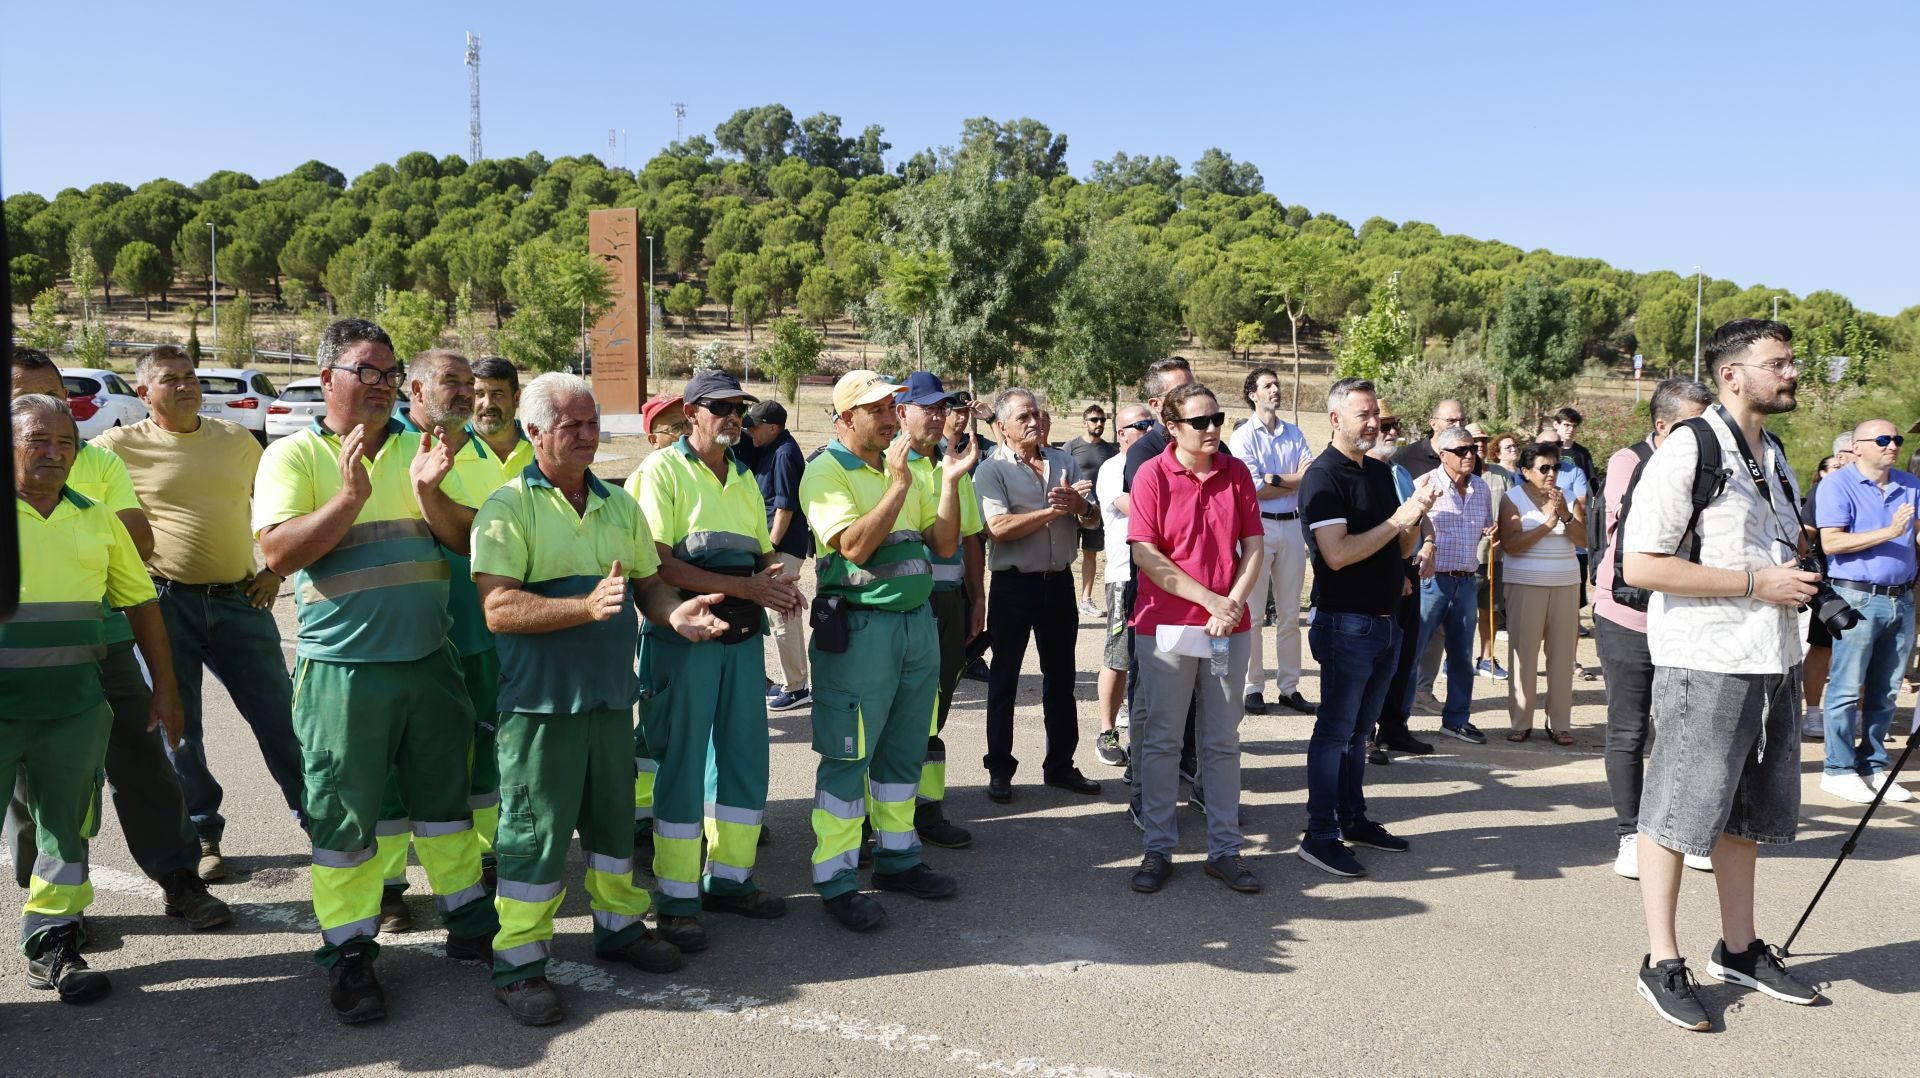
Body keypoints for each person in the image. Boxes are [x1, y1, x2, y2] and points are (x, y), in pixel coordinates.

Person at [252, 318, 498, 1024]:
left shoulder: (426, 448)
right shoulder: (293, 456)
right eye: (368, 371)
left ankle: (467, 921)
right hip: (344, 675)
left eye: (390, 373)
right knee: (345, 822)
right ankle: (351, 952)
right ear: (328, 377)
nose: (383, 384)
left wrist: (429, 493)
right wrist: (348, 498)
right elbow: (278, 555)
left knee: (446, 805)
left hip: (430, 663)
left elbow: (465, 539)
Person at [472, 373, 729, 1025]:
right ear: (534, 433)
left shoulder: (619, 504)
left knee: (615, 829)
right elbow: (498, 607)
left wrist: (675, 617)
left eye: (592, 423)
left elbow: (648, 586)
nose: (587, 436)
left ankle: (619, 929)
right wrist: (582, 607)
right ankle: (520, 964)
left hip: (612, 702)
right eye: (571, 426)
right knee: (534, 839)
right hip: (539, 709)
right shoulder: (507, 508)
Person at [1621, 318, 1822, 1031]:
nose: (1793, 372)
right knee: (1676, 813)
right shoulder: (1690, 448)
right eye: (1780, 362)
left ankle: (1738, 949)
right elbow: (1639, 565)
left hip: (1772, 659)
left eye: (1792, 361)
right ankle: (1660, 960)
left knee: (1746, 818)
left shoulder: (1777, 455)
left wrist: (1793, 578)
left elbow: (1768, 550)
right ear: (1733, 374)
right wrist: (1752, 583)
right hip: (1704, 660)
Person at [5, 351, 224, 932]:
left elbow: (134, 539)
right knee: (34, 788)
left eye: (55, 395)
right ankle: (50, 909)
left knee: (143, 759)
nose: (49, 417)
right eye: (25, 400)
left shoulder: (93, 460)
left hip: (103, 640)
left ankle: (178, 877)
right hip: (20, 663)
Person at [94, 346, 306, 877]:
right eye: (171, 379)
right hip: (165, 603)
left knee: (282, 716)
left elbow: (279, 505)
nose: (188, 386)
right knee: (178, 729)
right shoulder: (114, 447)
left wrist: (276, 569)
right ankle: (203, 833)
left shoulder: (237, 440)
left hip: (240, 599)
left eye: (192, 377)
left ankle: (321, 821)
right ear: (143, 393)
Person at [633, 371, 805, 954]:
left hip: (739, 643)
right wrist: (755, 590)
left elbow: (758, 556)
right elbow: (658, 566)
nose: (733, 416)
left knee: (743, 761)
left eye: (739, 408)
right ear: (691, 411)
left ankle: (730, 880)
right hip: (685, 644)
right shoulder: (661, 471)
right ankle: (677, 900)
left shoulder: (742, 479)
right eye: (721, 407)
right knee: (681, 769)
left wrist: (779, 585)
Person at [798, 370, 972, 931]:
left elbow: (944, 544)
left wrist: (945, 481)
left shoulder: (911, 466)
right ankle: (837, 878)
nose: (890, 416)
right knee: (850, 756)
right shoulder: (825, 471)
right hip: (861, 630)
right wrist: (898, 485)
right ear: (845, 418)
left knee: (904, 753)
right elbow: (853, 546)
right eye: (875, 409)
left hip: (914, 626)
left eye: (893, 406)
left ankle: (899, 859)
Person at [374, 349, 514, 932]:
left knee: (482, 760)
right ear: (417, 388)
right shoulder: (390, 444)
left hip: (477, 632)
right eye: (451, 383)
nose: (464, 394)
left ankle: (480, 862)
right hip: (402, 640)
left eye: (469, 384)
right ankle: (385, 888)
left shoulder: (478, 452)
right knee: (391, 767)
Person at [1125, 383, 1265, 895]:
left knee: (1222, 742)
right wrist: (1212, 602)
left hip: (1229, 628)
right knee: (1162, 740)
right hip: (1167, 627)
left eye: (1217, 419)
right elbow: (1147, 554)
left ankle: (1225, 851)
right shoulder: (1151, 475)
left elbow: (1254, 548)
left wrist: (1233, 606)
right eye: (1200, 421)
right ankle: (1158, 848)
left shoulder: (1237, 472)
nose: (1212, 430)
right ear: (1172, 427)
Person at [1297, 378, 1436, 877]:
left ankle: (1352, 819)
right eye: (1364, 414)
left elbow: (1397, 549)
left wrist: (1414, 520)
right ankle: (1318, 834)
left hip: (1386, 622)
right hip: (1345, 624)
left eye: (1377, 412)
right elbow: (1336, 554)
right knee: (1335, 733)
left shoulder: (1379, 473)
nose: (1375, 421)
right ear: (1336, 419)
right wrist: (1399, 520)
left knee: (1360, 734)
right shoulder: (1322, 476)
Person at [1592, 378, 1713, 879]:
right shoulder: (1629, 463)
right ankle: (1630, 834)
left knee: (1687, 729)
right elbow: (1640, 528)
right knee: (1630, 727)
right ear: (1663, 427)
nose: (1707, 436)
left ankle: (1681, 832)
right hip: (1628, 615)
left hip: (1688, 616)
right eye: (1695, 426)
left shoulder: (1708, 465)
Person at [976, 387, 1101, 802]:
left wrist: (1080, 508)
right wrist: (1056, 510)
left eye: (1036, 414)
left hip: (1058, 584)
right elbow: (997, 529)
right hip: (1014, 586)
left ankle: (1060, 765)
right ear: (1001, 427)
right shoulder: (990, 470)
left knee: (1061, 678)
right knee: (1005, 679)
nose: (1033, 422)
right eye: (1023, 417)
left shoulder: (1065, 461)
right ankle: (1000, 768)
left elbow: (1093, 518)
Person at [897, 373, 986, 849]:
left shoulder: (951, 465)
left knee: (935, 709)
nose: (936, 416)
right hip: (904, 604)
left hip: (949, 603)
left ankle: (926, 809)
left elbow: (971, 536)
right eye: (927, 407)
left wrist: (978, 598)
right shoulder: (889, 465)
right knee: (897, 712)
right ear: (903, 412)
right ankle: (882, 816)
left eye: (942, 408)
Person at [1813, 419, 1920, 804]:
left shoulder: (1910, 484)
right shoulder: (1836, 485)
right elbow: (1832, 543)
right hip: (1857, 597)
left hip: (1902, 598)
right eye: (1881, 439)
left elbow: (1916, 532)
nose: (1891, 445)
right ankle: (1837, 769)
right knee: (1845, 688)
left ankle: (1873, 766)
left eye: (1896, 439)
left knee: (1887, 690)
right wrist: (1889, 532)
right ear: (1856, 447)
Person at [1228, 367, 1315, 715]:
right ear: (1253, 394)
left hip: (1292, 526)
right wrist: (1288, 480)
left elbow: (1309, 477)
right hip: (1257, 528)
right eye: (1268, 385)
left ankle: (1289, 687)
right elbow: (1252, 487)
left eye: (1276, 384)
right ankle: (1252, 686)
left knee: (1291, 613)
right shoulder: (1243, 437)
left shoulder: (1294, 432)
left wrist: (1274, 478)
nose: (1275, 389)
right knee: (1252, 613)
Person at [1495, 442, 1583, 744]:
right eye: (1544, 468)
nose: (1551, 473)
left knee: (1561, 657)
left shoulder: (1569, 497)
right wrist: (1549, 524)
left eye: (1555, 467)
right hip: (1525, 583)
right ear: (1526, 471)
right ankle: (1520, 722)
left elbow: (1585, 539)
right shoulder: (1512, 498)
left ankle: (1559, 723)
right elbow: (1512, 544)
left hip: (1566, 583)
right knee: (1524, 654)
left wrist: (1565, 515)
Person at [1410, 426, 1493, 743]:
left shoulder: (1481, 489)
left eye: (1472, 449)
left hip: (1466, 581)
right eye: (1461, 451)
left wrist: (1492, 531)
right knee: (1412, 654)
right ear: (1443, 455)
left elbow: (1487, 524)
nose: (1470, 455)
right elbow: (1408, 529)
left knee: (1462, 657)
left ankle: (1456, 720)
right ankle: (1395, 722)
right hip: (1430, 582)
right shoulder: (1424, 484)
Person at [1393, 401, 1465, 715]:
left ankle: (1424, 690)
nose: (1457, 423)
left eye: (1462, 419)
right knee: (1414, 635)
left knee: (1439, 636)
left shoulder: (1466, 455)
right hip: (1408, 559)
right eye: (1451, 419)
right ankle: (1400, 701)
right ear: (1433, 422)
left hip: (1450, 562)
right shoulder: (1405, 458)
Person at [742, 399, 813, 711]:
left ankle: (796, 688)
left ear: (772, 427)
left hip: (781, 547)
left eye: (754, 427)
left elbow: (784, 508)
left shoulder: (783, 453)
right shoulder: (772, 447)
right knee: (786, 613)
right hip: (778, 546)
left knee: (781, 613)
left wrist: (768, 550)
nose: (749, 433)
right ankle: (797, 683)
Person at [1095, 404, 1153, 767]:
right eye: (1141, 425)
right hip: (1123, 575)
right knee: (1118, 657)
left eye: (1152, 425)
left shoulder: (1159, 465)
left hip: (1156, 575)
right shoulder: (1113, 468)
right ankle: (1107, 732)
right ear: (1121, 433)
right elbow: (1133, 505)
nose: (1150, 431)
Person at [1799, 453, 1841, 739]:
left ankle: (1858, 713)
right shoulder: (1825, 490)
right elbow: (1806, 536)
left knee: (1866, 657)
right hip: (1832, 585)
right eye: (1839, 462)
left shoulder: (1886, 486)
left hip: (1880, 587)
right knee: (1822, 647)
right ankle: (1812, 714)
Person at [1063, 405, 1118, 616]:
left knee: (1091, 554)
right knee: (1067, 555)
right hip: (1072, 510)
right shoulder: (1071, 447)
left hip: (1097, 512)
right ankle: (1064, 598)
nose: (1099, 424)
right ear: (1084, 421)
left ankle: (1085, 600)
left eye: (1103, 420)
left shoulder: (1109, 450)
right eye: (1095, 419)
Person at [1475, 431, 1522, 679]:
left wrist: (1502, 527)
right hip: (1462, 558)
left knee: (1490, 609)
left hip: (1495, 555)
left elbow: (1516, 511)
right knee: (1457, 615)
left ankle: (1486, 658)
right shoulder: (1455, 474)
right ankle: (1452, 661)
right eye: (1474, 441)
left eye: (1483, 440)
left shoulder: (1503, 475)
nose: (1479, 445)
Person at [469, 357, 536, 477]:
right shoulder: (450, 448)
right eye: (479, 394)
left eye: (497, 394)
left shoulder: (540, 444)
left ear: (516, 398)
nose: (488, 403)